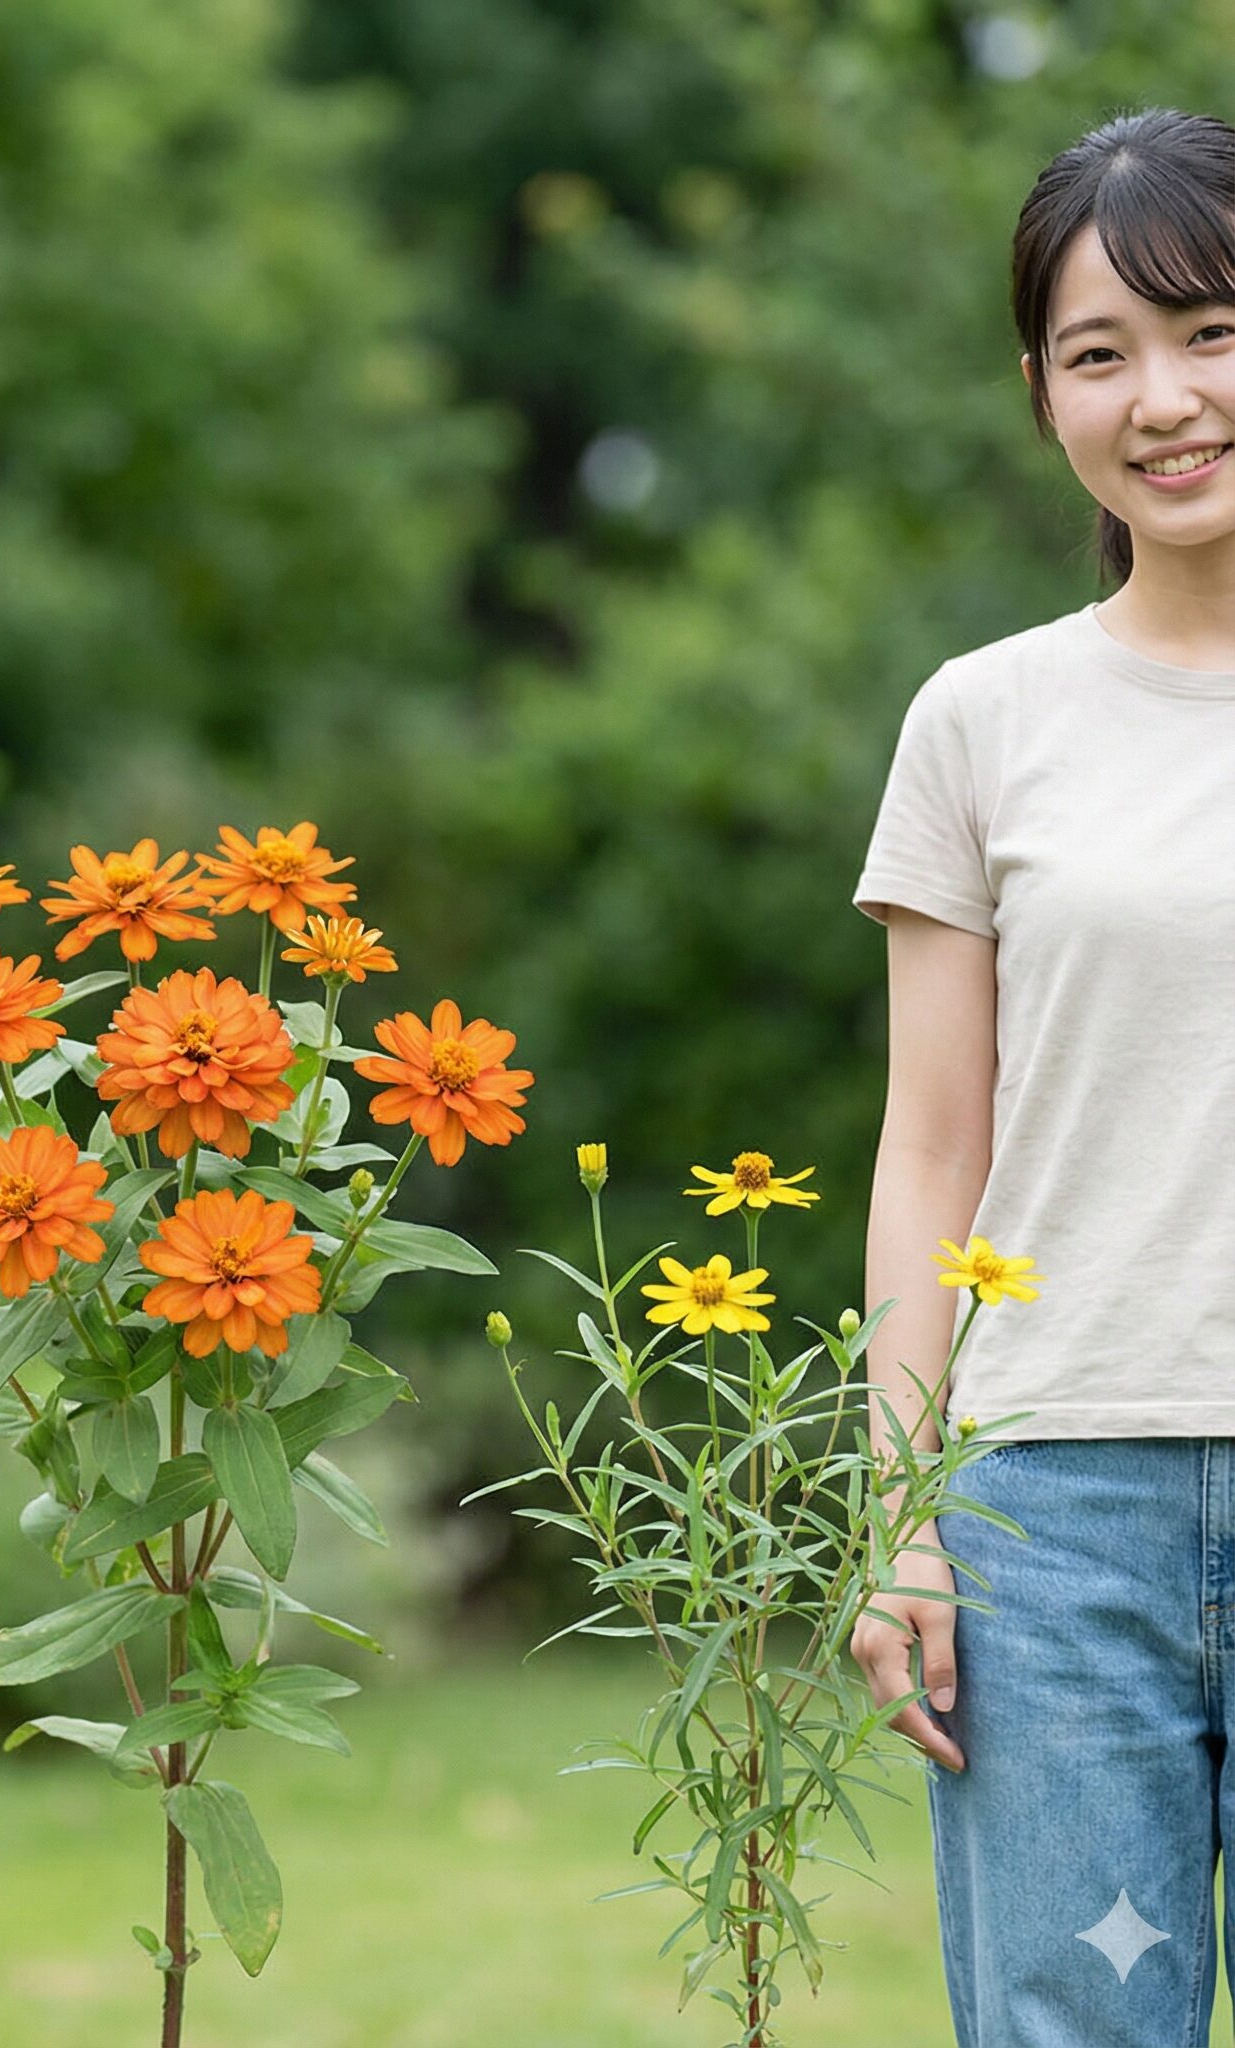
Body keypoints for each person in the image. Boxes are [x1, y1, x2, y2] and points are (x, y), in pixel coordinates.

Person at [848, 105, 1235, 2045]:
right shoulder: (984, 719)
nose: (1161, 399)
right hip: (1049, 1511)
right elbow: (928, 1152)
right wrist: (895, 1515)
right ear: (1042, 395)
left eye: (1212, 332)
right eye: (1100, 352)